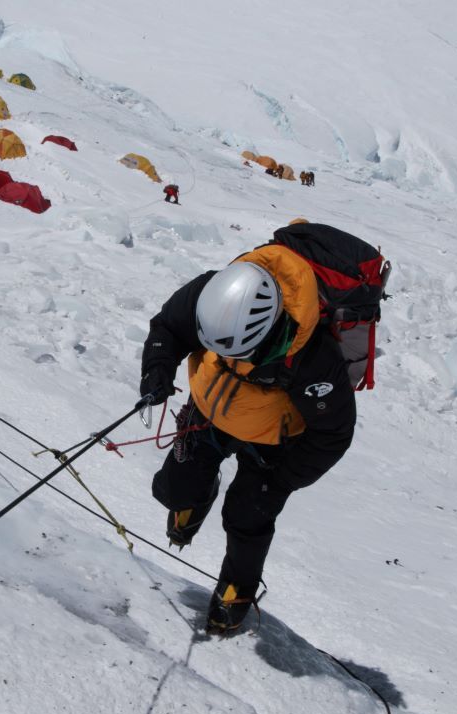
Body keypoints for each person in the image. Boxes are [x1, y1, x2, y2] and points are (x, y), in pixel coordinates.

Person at [139, 224, 356, 635]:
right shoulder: (212, 293)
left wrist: (283, 480)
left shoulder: (314, 358)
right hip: (208, 409)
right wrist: (156, 373)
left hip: (274, 442)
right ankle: (196, 496)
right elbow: (168, 327)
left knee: (247, 517)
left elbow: (333, 433)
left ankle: (237, 588)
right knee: (173, 489)